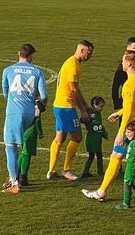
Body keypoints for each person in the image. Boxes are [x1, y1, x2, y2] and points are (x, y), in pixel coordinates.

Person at [82, 50, 135, 201]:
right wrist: (118, 113)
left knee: (117, 156)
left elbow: (130, 110)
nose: (122, 63)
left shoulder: (129, 84)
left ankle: (101, 192)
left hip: (132, 126)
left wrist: (121, 132)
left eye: (123, 61)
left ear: (130, 63)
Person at [1, 43, 48, 193]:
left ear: (19, 54)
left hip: (14, 112)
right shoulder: (37, 71)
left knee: (11, 147)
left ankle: (14, 182)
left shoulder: (8, 70)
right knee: (26, 146)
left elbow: (5, 92)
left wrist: (14, 101)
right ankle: (21, 176)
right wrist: (38, 104)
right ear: (31, 56)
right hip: (30, 113)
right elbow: (44, 96)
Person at [48, 40, 94, 181]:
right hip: (66, 106)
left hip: (59, 105)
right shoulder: (73, 65)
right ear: (81, 50)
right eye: (89, 52)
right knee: (77, 137)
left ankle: (51, 171)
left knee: (60, 137)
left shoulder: (71, 62)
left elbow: (75, 88)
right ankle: (66, 170)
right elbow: (73, 90)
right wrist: (83, 110)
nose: (90, 56)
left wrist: (85, 104)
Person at [111, 37, 135, 111]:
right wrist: (117, 104)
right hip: (128, 101)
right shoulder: (123, 67)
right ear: (128, 48)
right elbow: (115, 86)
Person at [82, 96, 108, 179]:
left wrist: (103, 133)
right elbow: (82, 119)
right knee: (97, 155)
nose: (102, 108)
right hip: (93, 138)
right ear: (94, 105)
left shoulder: (97, 113)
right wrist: (88, 118)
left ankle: (86, 172)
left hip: (97, 138)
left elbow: (99, 125)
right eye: (101, 106)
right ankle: (100, 173)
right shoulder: (91, 113)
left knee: (92, 156)